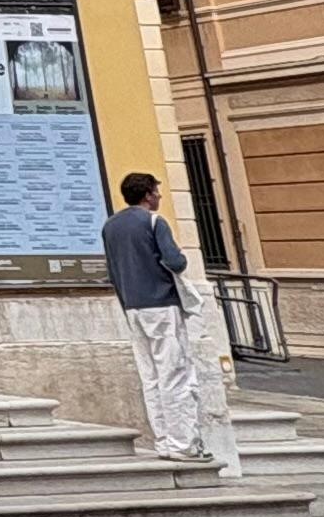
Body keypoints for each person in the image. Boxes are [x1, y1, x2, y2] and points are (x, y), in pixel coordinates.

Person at [101, 169, 239, 474]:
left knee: (150, 376)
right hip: (161, 303)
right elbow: (176, 261)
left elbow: (112, 269)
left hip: (132, 306)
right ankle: (183, 444)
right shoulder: (154, 222)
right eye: (156, 191)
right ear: (147, 195)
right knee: (175, 374)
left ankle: (163, 440)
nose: (160, 196)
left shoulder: (110, 226)